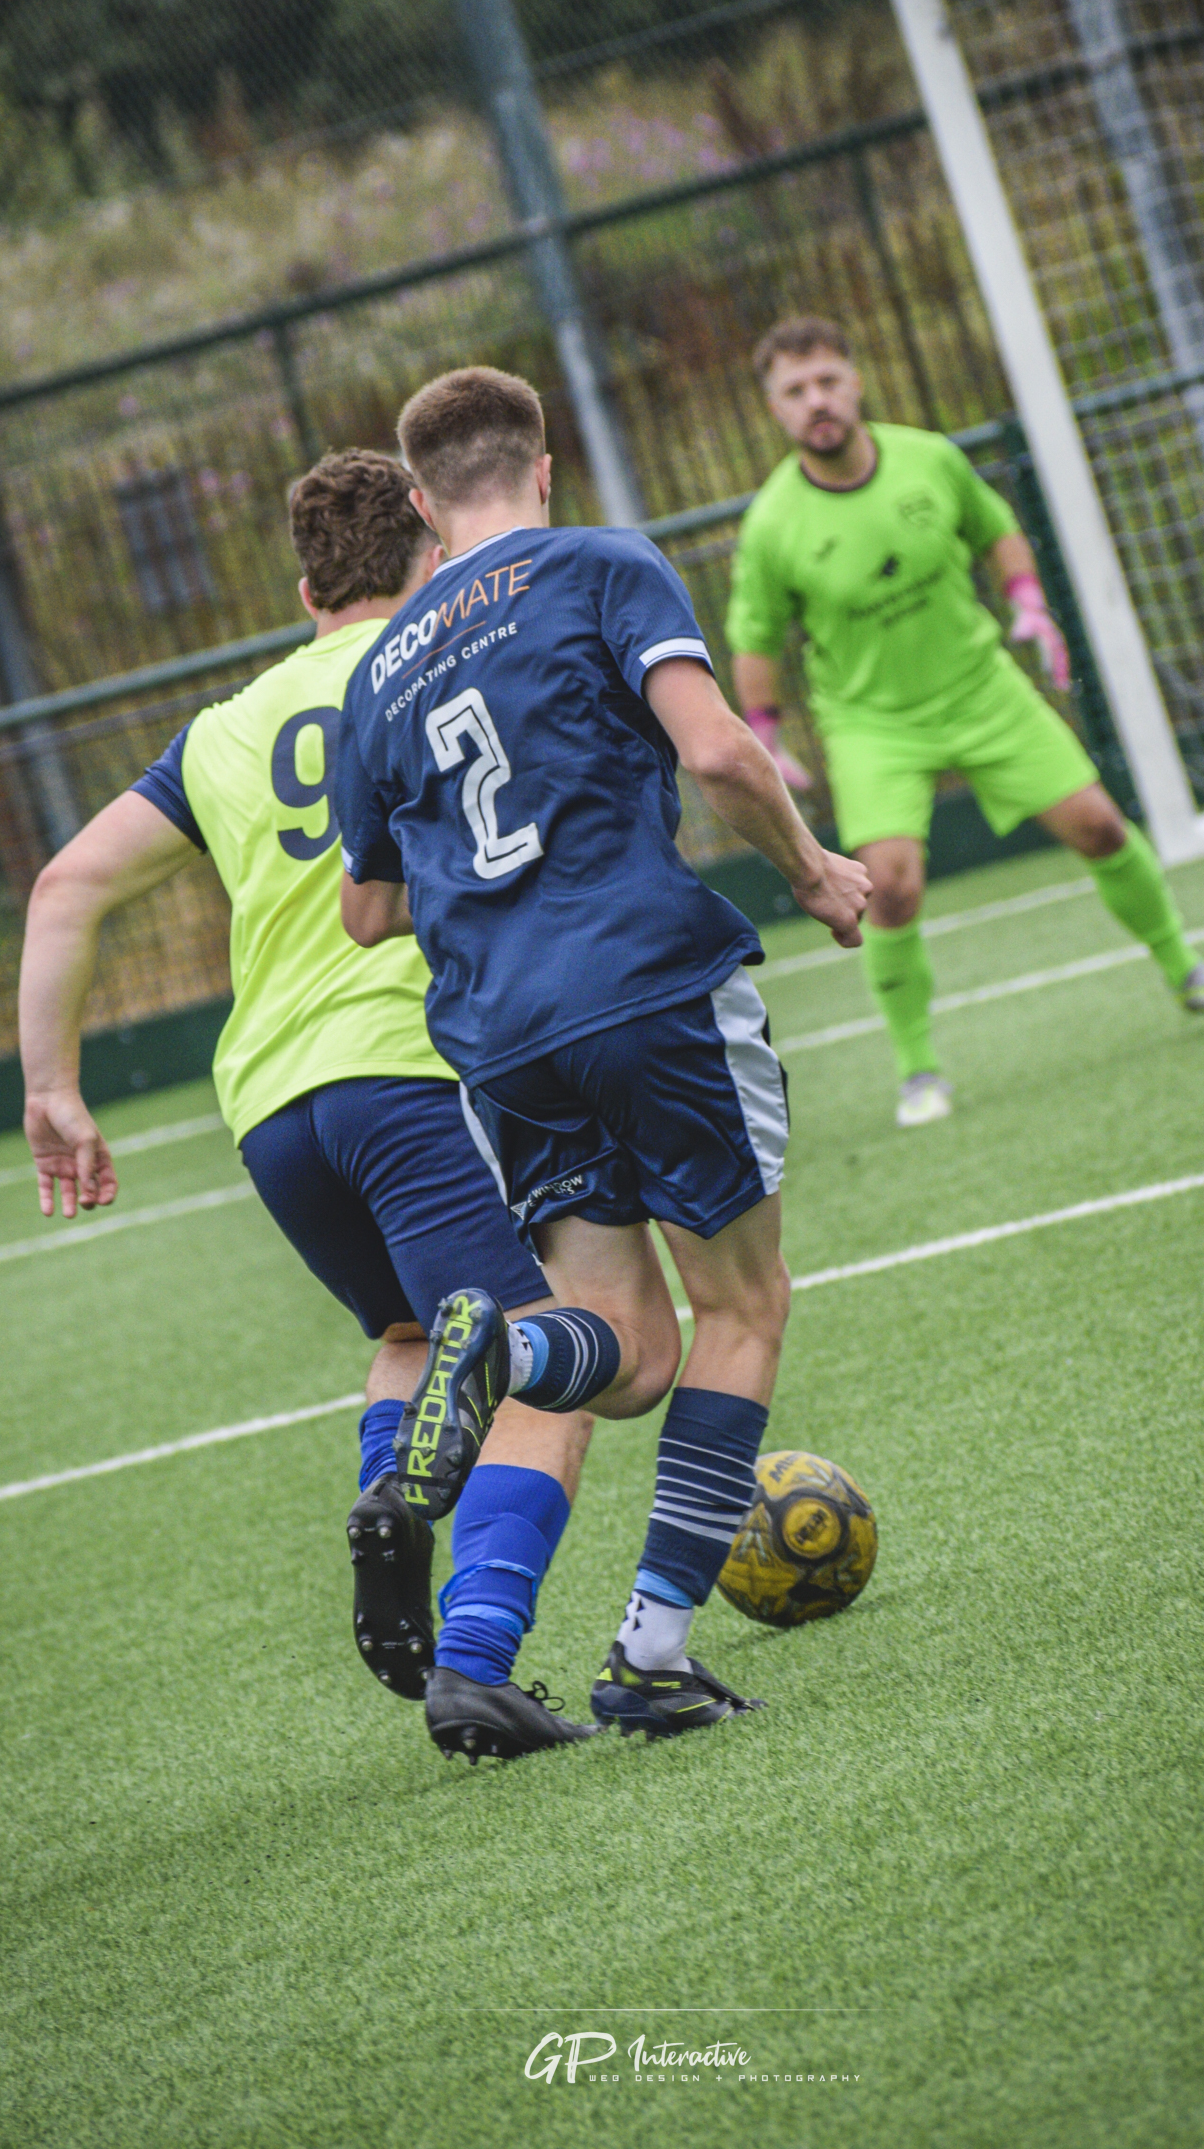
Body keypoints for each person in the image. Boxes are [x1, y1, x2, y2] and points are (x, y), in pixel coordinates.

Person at [18, 449, 618, 1763]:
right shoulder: (438, 662)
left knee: (410, 1336)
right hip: (410, 1070)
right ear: (427, 537)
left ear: (301, 590)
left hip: (274, 1109)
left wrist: (52, 1087)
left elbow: (65, 884)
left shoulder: (223, 729)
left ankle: (384, 1506)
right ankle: (476, 1664)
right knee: (538, 1360)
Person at [334, 366, 870, 1739]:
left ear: (416, 499)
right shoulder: (596, 565)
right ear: (545, 464)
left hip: (497, 1037)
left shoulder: (380, 669)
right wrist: (811, 872)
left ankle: (499, 1359)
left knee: (623, 1353)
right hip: (640, 983)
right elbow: (720, 751)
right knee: (741, 1308)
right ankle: (648, 1650)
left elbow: (367, 907)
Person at [727, 317, 1204, 1128]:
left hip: (982, 687)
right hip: (872, 723)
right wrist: (765, 734)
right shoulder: (773, 523)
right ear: (775, 409)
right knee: (892, 890)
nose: (817, 402)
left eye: (828, 381)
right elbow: (755, 637)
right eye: (796, 391)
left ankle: (1188, 970)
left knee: (1099, 829)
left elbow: (996, 530)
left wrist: (1027, 604)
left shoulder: (929, 458)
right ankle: (918, 1070)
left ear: (855, 381)